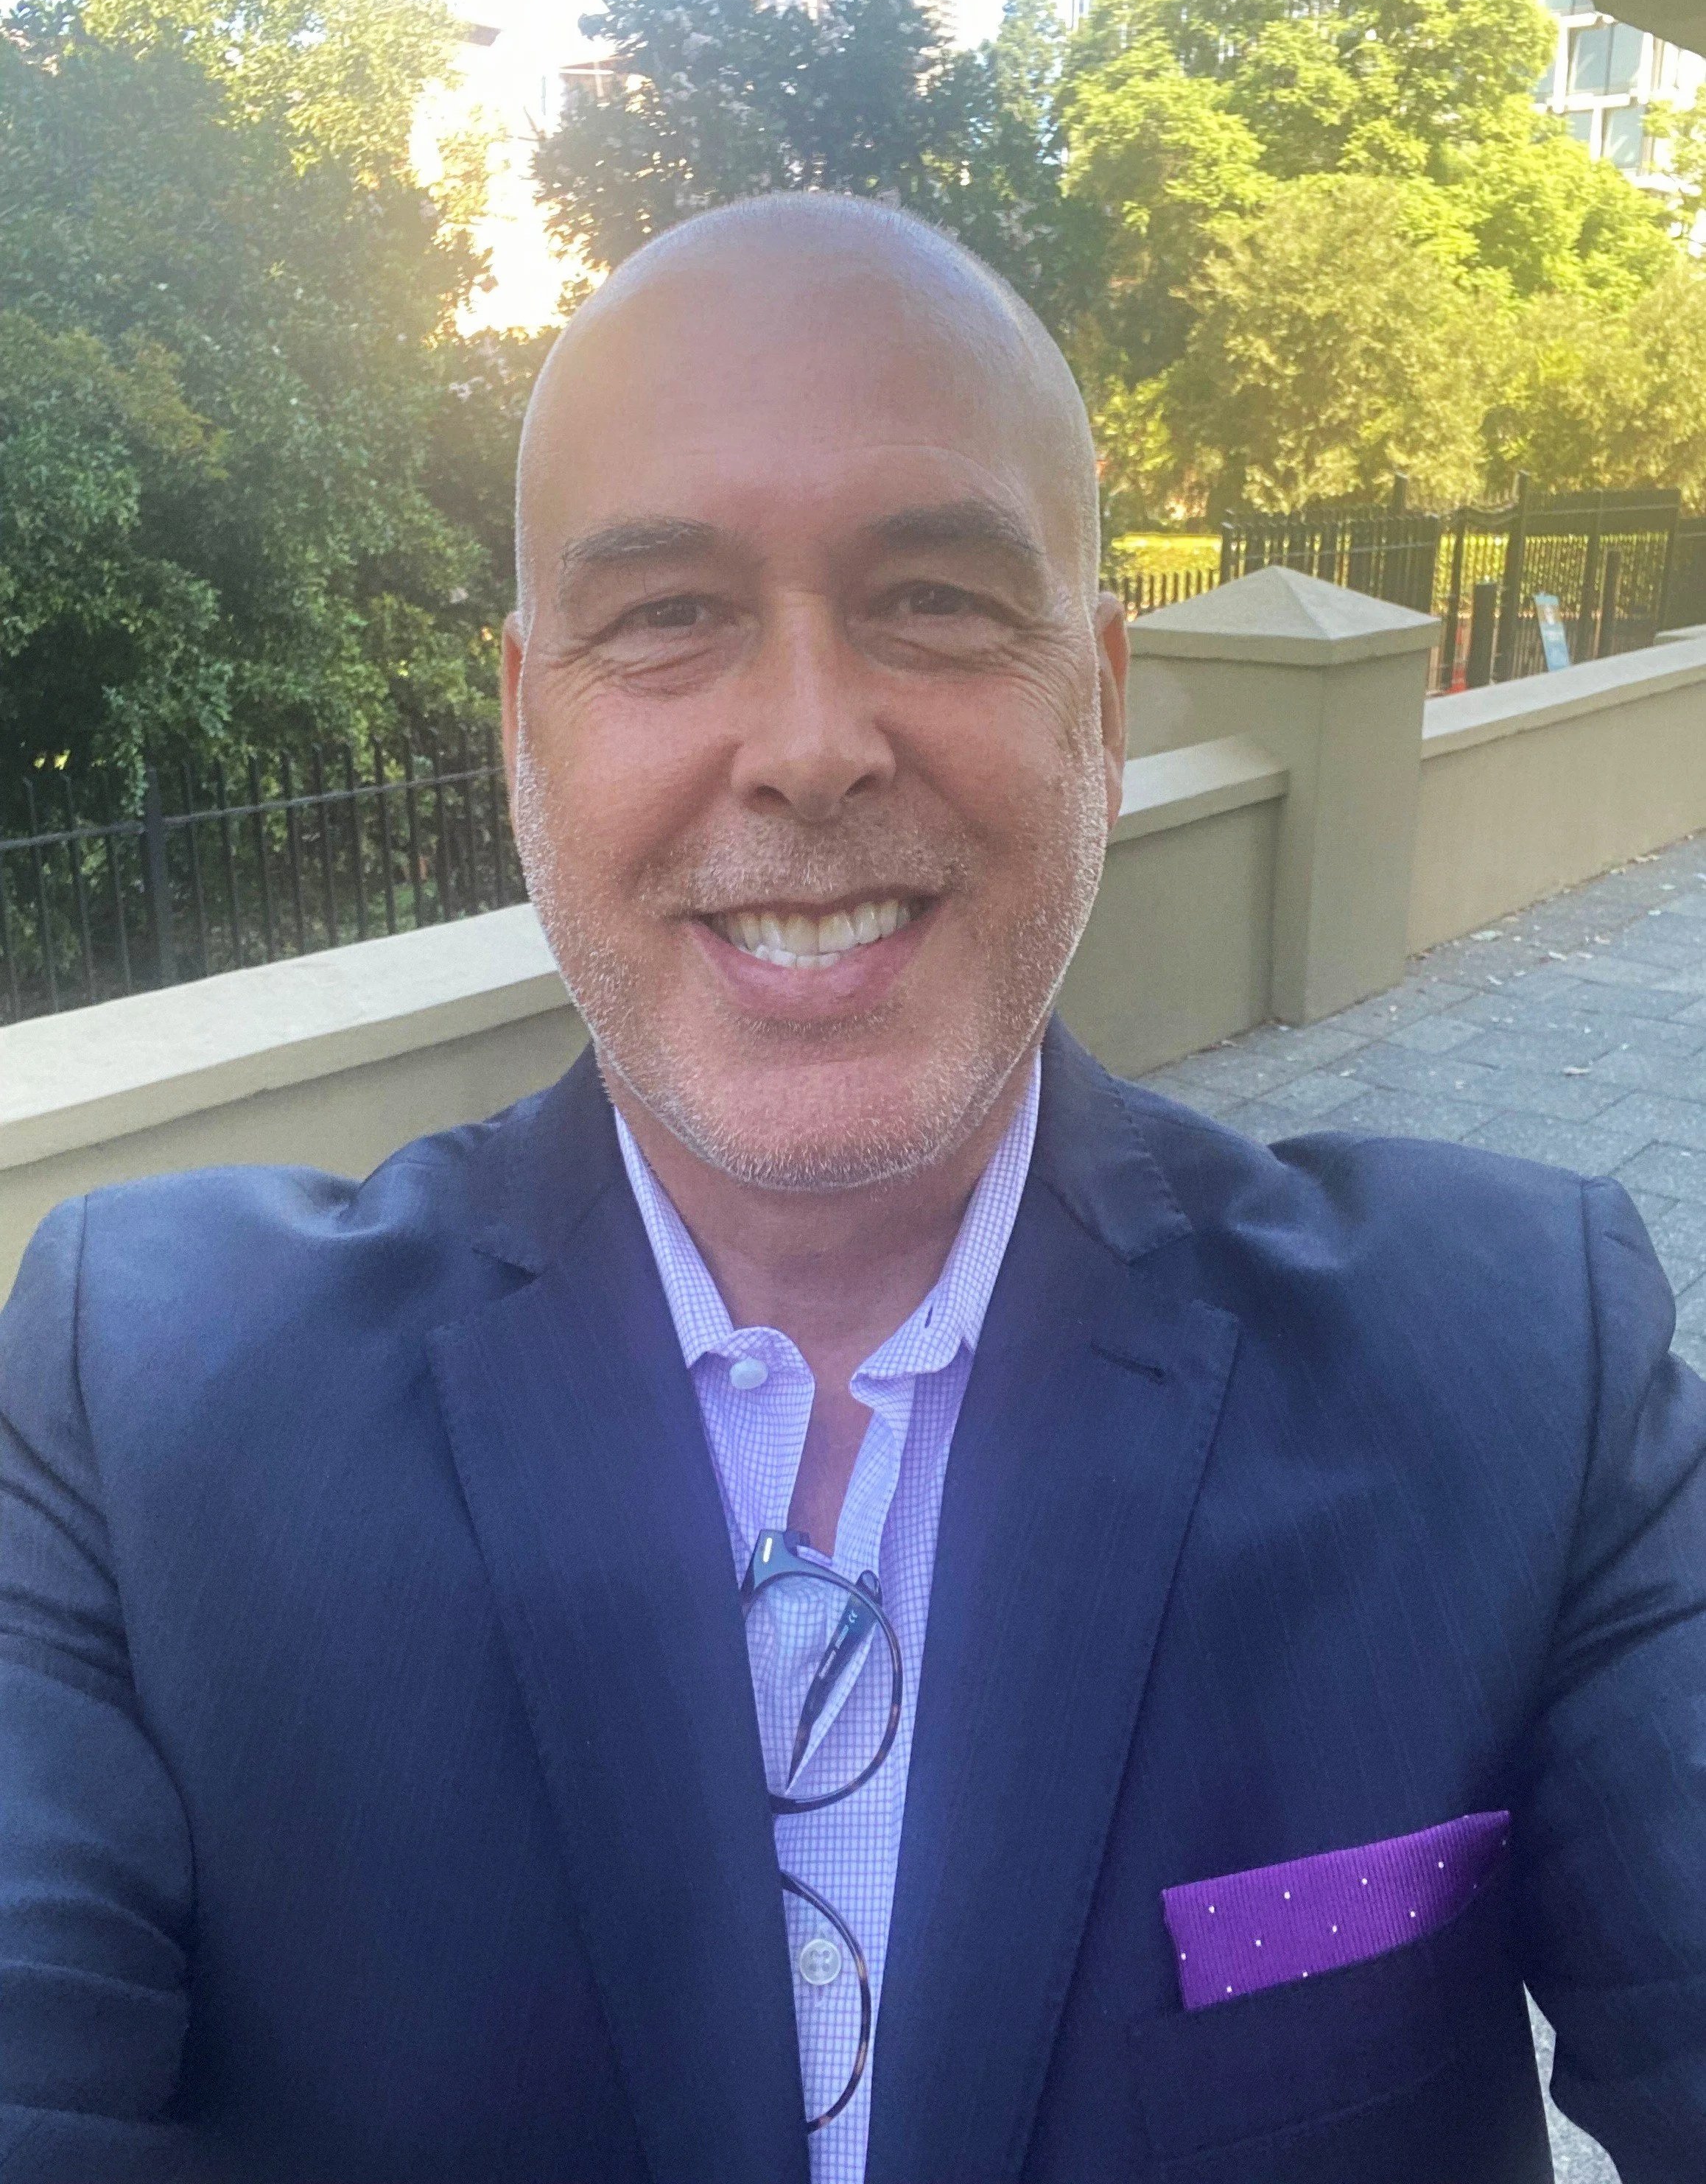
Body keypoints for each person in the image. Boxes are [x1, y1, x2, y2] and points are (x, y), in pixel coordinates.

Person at [1, 195, 1702, 2184]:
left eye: (933, 599)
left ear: (1100, 695)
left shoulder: (1518, 1365)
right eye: (666, 617)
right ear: (520, 723)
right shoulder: (146, 1392)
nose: (807, 747)